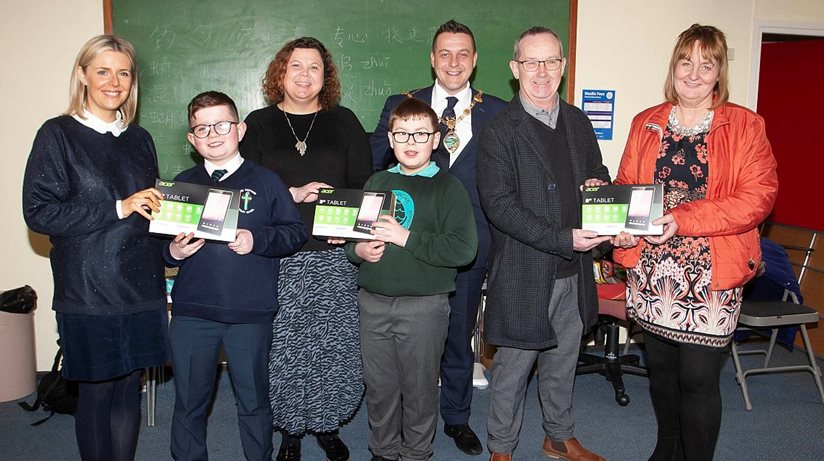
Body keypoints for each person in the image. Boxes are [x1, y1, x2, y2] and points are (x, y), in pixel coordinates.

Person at [611, 24, 778, 461]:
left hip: (711, 272)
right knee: (662, 374)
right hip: (652, 272)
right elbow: (628, 184)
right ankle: (666, 450)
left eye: (707, 64)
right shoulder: (645, 121)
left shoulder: (745, 124)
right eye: (686, 62)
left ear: (719, 72)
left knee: (699, 380)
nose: (694, 73)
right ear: (674, 67)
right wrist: (618, 219)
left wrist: (683, 219)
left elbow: (757, 198)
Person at [22, 35, 168, 461]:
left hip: (141, 286)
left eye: (123, 72)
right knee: (97, 393)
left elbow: (149, 209)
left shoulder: (140, 138)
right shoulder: (57, 134)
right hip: (88, 288)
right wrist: (118, 207)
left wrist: (173, 230)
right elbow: (40, 214)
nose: (114, 81)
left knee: (128, 389)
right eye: (103, 71)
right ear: (83, 75)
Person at [370, 20, 506, 455]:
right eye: (445, 53)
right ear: (431, 58)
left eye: (463, 53)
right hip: (399, 250)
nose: (454, 62)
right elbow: (374, 164)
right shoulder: (402, 104)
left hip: (466, 244)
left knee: (458, 336)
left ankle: (457, 418)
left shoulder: (497, 111)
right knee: (403, 347)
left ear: (475, 60)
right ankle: (400, 427)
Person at [476, 27, 611, 461]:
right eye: (531, 62)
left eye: (550, 61)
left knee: (562, 364)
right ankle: (502, 449)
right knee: (513, 372)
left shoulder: (577, 121)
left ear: (563, 67)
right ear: (515, 70)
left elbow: (599, 174)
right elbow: (500, 206)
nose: (541, 71)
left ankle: (558, 437)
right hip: (524, 273)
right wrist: (561, 238)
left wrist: (598, 187)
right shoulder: (499, 132)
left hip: (575, 271)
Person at [241, 36, 373, 461]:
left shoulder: (345, 121)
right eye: (296, 65)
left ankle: (328, 423)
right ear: (281, 72)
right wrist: (291, 192)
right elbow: (247, 191)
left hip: (333, 253)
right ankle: (290, 430)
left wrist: (350, 228)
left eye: (314, 67)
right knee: (285, 344)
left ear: (326, 76)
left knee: (334, 341)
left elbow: (363, 187)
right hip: (279, 253)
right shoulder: (258, 124)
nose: (304, 74)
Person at [165, 91, 307, 461]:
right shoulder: (182, 184)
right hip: (193, 311)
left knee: (254, 400)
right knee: (189, 403)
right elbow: (159, 246)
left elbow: (294, 232)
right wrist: (174, 252)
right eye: (202, 127)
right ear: (192, 139)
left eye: (223, 125)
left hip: (250, 311)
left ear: (240, 129)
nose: (213, 134)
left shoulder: (266, 180)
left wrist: (255, 238)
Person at [349, 97, 478, 461]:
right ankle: (383, 451)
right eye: (402, 133)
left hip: (424, 306)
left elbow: (463, 250)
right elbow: (352, 240)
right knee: (380, 387)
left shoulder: (448, 188)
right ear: (390, 139)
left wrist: (404, 237)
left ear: (436, 140)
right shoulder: (376, 181)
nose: (411, 142)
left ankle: (417, 453)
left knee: (419, 389)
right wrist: (358, 251)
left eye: (420, 134)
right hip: (373, 302)